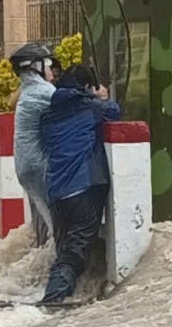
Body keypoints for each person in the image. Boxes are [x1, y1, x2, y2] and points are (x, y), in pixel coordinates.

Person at [37, 63, 121, 306]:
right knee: (74, 256)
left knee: (65, 253)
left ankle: (59, 295)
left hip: (56, 194)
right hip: (84, 189)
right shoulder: (89, 107)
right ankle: (52, 303)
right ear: (86, 87)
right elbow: (115, 111)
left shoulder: (47, 115)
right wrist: (101, 97)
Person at [10, 42, 58, 248]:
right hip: (39, 166)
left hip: (24, 166)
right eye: (46, 65)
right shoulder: (43, 91)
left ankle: (40, 258)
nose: (51, 70)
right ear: (35, 67)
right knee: (57, 222)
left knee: (42, 219)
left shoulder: (27, 90)